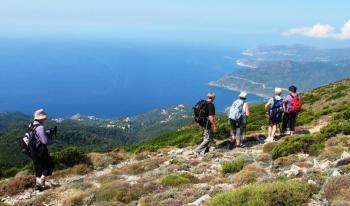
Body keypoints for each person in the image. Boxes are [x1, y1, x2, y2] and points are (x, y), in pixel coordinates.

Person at [31, 109, 55, 191]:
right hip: (40, 151)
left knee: (38, 167)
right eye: (44, 118)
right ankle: (41, 182)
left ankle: (38, 186)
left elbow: (36, 136)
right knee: (49, 165)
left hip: (33, 151)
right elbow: (45, 141)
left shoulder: (32, 125)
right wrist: (51, 140)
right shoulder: (40, 127)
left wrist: (46, 132)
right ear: (41, 118)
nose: (45, 119)